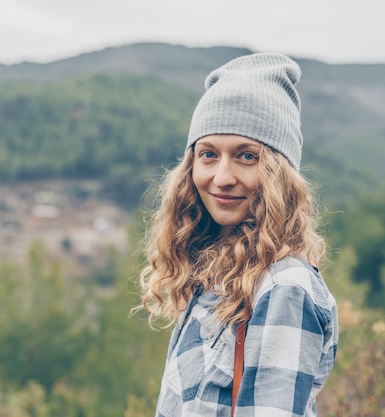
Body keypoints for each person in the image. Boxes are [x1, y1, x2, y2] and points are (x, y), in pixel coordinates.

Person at [139, 52, 338, 417]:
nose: (223, 177)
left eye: (247, 156)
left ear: (280, 174)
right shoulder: (211, 274)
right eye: (208, 154)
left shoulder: (283, 289)